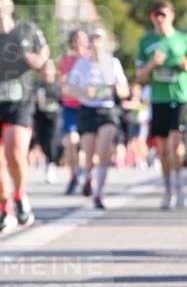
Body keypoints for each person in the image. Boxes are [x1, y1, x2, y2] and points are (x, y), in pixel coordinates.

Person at [0, 0, 49, 231]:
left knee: (15, 153)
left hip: (20, 100)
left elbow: (44, 51)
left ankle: (19, 194)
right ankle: (4, 208)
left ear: (11, 4)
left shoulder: (26, 30)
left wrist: (38, 61)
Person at [68, 27, 129, 209]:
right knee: (89, 154)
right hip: (88, 110)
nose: (96, 43)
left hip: (107, 111)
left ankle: (99, 193)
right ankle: (88, 177)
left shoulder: (114, 63)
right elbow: (70, 89)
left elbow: (125, 90)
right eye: (93, 39)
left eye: (99, 39)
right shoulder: (82, 64)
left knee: (103, 153)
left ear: (105, 43)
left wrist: (116, 88)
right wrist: (83, 92)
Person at [135, 1, 187, 208]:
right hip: (158, 100)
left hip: (180, 97)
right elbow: (139, 75)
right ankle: (167, 189)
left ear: (172, 16)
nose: (160, 18)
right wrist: (152, 64)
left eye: (163, 14)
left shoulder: (182, 39)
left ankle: (179, 185)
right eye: (156, 14)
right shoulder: (146, 42)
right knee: (163, 149)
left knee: (176, 145)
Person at [59, 28, 90, 194]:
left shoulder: (91, 61)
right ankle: (73, 176)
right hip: (69, 106)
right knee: (71, 141)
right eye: (76, 39)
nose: (78, 43)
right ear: (72, 42)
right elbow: (62, 84)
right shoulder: (66, 61)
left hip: (86, 106)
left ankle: (85, 176)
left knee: (85, 144)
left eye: (82, 39)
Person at [34, 59, 62, 183]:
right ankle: (47, 161)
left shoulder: (57, 86)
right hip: (40, 118)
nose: (47, 71)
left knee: (51, 142)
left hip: (54, 118)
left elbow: (62, 101)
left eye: (49, 68)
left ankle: (51, 165)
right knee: (42, 142)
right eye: (44, 69)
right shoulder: (37, 86)